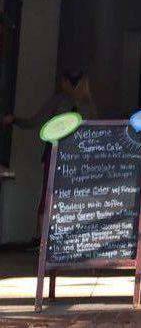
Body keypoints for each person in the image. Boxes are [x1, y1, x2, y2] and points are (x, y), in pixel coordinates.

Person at [2, 70, 96, 236]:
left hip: (58, 153)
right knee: (69, 195)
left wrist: (15, 120)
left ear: (66, 82)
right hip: (77, 156)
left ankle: (44, 238)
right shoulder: (87, 106)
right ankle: (60, 237)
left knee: (50, 194)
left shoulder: (60, 102)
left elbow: (36, 121)